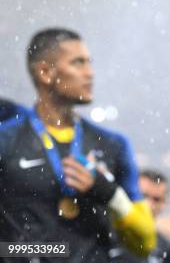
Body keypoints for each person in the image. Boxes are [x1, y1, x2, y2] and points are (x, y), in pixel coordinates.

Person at [0, 28, 156, 262]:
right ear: (44, 72)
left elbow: (146, 243)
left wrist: (110, 193)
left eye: (89, 63)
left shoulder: (113, 144)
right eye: (78, 63)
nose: (90, 73)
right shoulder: (5, 140)